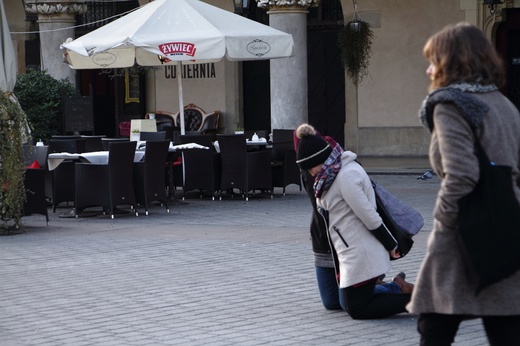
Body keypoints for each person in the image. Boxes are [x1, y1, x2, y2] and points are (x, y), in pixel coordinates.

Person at [407, 22, 520, 345]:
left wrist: (443, 220)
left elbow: (461, 174)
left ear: (450, 62)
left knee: (435, 327)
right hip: (508, 224)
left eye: (433, 61)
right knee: (506, 328)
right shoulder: (505, 105)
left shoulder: (451, 105)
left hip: (464, 230)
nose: (429, 70)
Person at [295, 125, 413, 319]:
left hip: (360, 251)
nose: (310, 173)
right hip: (349, 250)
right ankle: (398, 288)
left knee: (358, 309)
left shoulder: (346, 176)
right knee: (342, 303)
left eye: (310, 167)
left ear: (320, 160)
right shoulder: (329, 176)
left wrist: (391, 244)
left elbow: (369, 215)